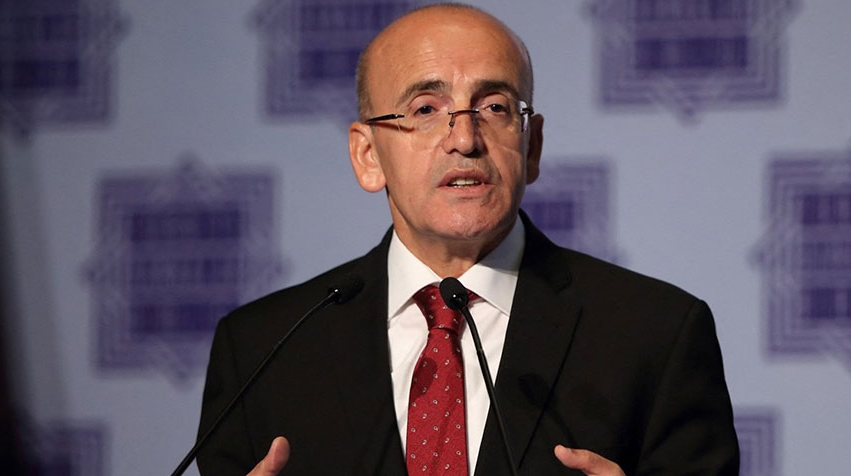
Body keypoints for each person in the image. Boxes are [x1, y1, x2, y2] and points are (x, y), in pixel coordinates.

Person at [196, 4, 739, 476]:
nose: (464, 138)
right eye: (425, 109)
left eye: (495, 107)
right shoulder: (262, 350)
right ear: (368, 155)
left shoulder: (656, 335)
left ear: (531, 146)